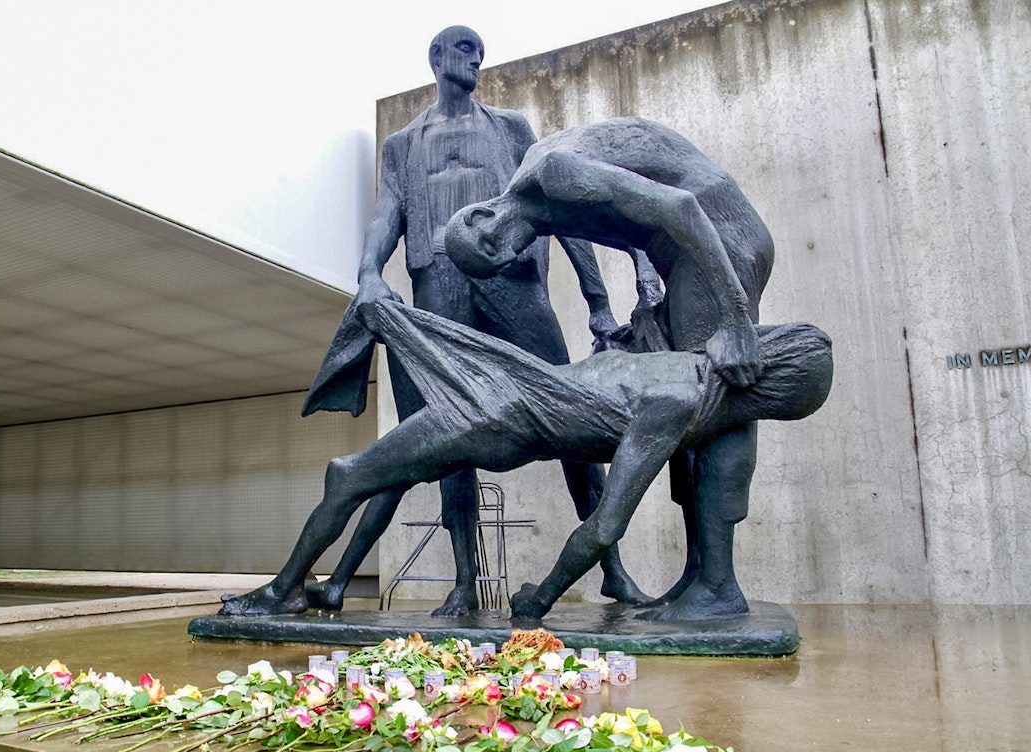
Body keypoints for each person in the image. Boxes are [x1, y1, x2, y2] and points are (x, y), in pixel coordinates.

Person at [300, 26, 643, 616]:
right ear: (436, 58)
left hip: (512, 278)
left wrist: (597, 299)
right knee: (446, 428)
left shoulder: (509, 128)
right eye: (465, 50)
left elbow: (554, 209)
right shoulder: (403, 145)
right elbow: (388, 212)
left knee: (571, 410)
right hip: (438, 280)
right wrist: (368, 273)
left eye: (481, 53)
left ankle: (611, 567)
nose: (477, 60)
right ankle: (465, 582)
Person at [216, 299, 831, 619]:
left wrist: (542, 597)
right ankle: (293, 586)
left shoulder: (675, 400)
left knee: (349, 474)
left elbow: (605, 524)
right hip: (512, 390)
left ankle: (284, 592)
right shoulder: (679, 366)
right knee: (360, 447)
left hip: (501, 415)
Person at [442, 116, 776, 619]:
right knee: (688, 412)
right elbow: (629, 221)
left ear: (483, 215)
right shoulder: (544, 204)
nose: (508, 256)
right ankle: (699, 576)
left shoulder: (552, 174)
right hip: (686, 253)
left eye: (493, 247)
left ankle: (719, 586)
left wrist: (735, 318)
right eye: (496, 264)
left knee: (714, 403)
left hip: (716, 239)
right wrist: (649, 295)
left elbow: (679, 206)